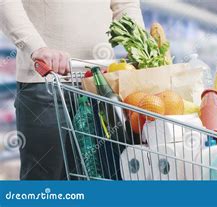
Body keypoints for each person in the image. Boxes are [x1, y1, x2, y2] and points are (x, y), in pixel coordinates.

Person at [0, 0, 144, 180]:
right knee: (46, 185)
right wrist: (36, 47)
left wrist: (142, 48)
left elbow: (124, 4)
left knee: (105, 178)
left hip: (101, 83)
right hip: (47, 81)